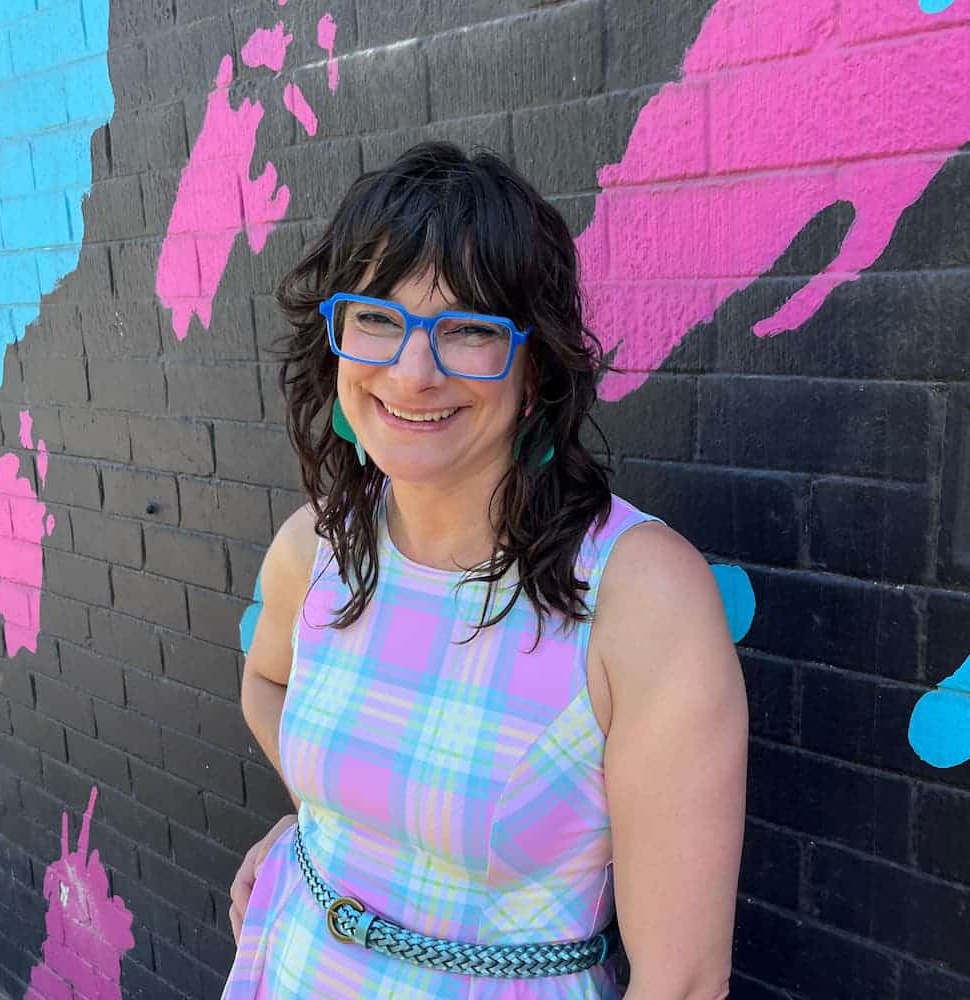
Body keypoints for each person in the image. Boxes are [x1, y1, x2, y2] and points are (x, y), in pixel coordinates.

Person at [221, 142, 747, 1000]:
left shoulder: (640, 599)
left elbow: (682, 980)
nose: (412, 371)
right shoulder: (313, 548)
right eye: (377, 318)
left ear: (536, 365)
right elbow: (265, 682)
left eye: (467, 329)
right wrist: (327, 824)